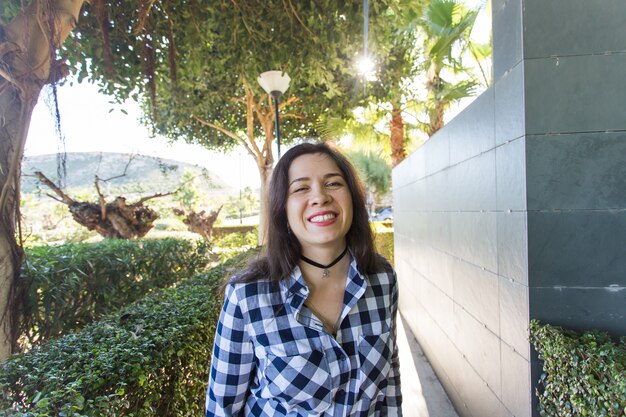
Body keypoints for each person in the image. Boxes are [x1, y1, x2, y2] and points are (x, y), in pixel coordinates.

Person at [205, 142, 402, 416]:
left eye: (333, 183)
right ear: (282, 211)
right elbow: (222, 408)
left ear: (353, 199)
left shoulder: (382, 279)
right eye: (300, 188)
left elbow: (389, 379)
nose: (320, 197)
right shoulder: (247, 296)